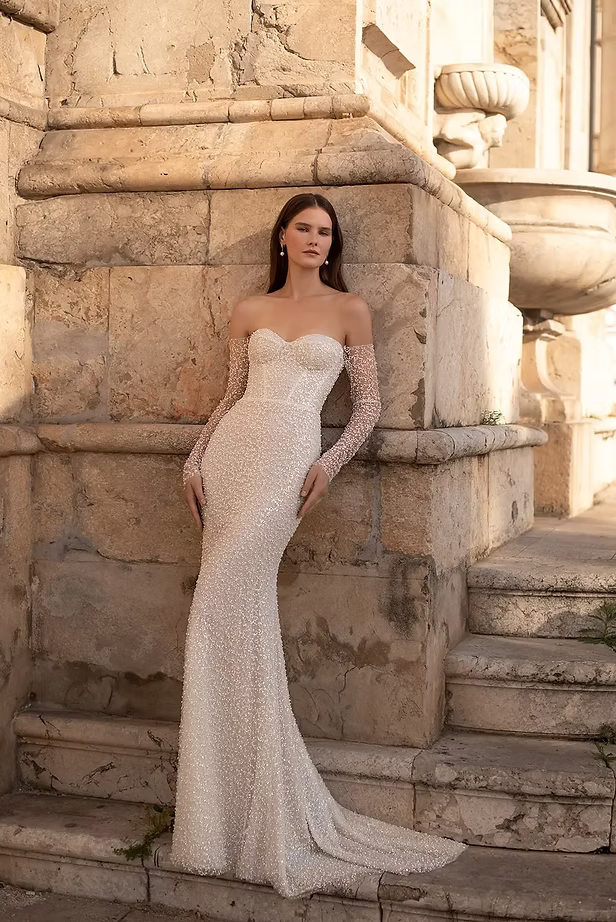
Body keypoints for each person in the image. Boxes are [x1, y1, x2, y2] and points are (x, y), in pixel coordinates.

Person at [169, 192, 467, 898]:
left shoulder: (349, 310)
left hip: (288, 470)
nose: (314, 239)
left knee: (223, 604)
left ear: (333, 245)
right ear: (281, 237)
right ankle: (219, 818)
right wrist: (191, 460)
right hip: (232, 461)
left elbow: (365, 408)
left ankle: (260, 809)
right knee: (219, 615)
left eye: (325, 232)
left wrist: (326, 466)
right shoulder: (250, 310)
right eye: (303, 228)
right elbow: (230, 395)